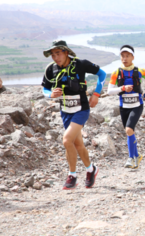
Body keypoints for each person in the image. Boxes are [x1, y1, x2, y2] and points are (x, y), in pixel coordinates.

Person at [41, 40, 106, 190]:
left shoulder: (80, 64)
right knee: (77, 144)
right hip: (65, 111)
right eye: (52, 54)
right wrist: (51, 94)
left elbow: (102, 74)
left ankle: (72, 175)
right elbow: (44, 89)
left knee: (66, 140)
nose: (55, 57)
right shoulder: (51, 69)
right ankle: (91, 170)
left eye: (58, 53)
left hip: (81, 109)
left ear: (66, 52)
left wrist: (96, 94)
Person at [107, 45, 145, 169]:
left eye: (127, 56)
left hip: (137, 105)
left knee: (128, 130)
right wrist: (122, 88)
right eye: (122, 56)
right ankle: (137, 156)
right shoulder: (116, 73)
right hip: (124, 107)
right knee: (129, 132)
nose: (124, 58)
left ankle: (130, 158)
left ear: (133, 57)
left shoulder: (140, 71)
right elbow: (109, 91)